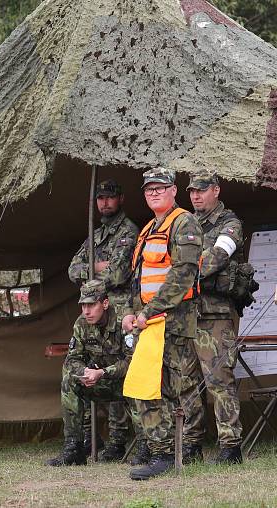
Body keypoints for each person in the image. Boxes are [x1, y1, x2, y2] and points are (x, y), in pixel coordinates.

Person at [122, 167, 203, 480]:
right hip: (150, 321)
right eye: (148, 189)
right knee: (149, 385)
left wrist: (149, 311)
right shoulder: (147, 229)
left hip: (172, 320)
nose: (154, 192)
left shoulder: (184, 222)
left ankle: (172, 453)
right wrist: (133, 310)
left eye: (160, 187)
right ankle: (162, 452)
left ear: (173, 191)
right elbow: (139, 277)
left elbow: (182, 274)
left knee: (172, 388)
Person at [67, 179, 140, 461]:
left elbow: (119, 274)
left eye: (110, 198)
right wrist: (97, 267)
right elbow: (72, 269)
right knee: (91, 368)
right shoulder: (94, 235)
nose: (105, 203)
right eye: (100, 198)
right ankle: (89, 439)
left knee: (121, 370)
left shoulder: (128, 232)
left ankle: (119, 440)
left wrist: (94, 268)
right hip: (94, 311)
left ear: (120, 199)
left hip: (121, 311)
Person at [181, 169, 244, 464]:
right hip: (187, 315)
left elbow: (216, 259)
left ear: (216, 190)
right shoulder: (185, 223)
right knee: (187, 380)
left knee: (219, 379)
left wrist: (182, 274)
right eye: (192, 190)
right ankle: (192, 444)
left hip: (215, 315)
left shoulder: (229, 223)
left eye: (202, 190)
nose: (196, 195)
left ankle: (230, 447)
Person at [47, 280, 134, 466]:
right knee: (69, 381)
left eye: (91, 305)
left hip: (126, 383)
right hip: (99, 382)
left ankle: (146, 447)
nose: (86, 311)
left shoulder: (122, 321)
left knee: (141, 384)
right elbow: (72, 359)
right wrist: (84, 372)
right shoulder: (81, 324)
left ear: (104, 303)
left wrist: (102, 372)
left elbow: (132, 361)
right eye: (83, 305)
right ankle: (74, 448)